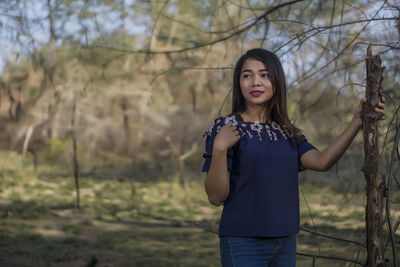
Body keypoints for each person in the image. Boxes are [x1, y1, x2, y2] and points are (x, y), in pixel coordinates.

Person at [201, 48, 385, 267]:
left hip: (285, 242)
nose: (255, 82)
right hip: (243, 241)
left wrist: (357, 121)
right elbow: (215, 197)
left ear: (277, 81)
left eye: (265, 75)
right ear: (239, 83)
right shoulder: (226, 128)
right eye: (247, 75)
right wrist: (220, 149)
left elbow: (321, 161)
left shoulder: (286, 132)